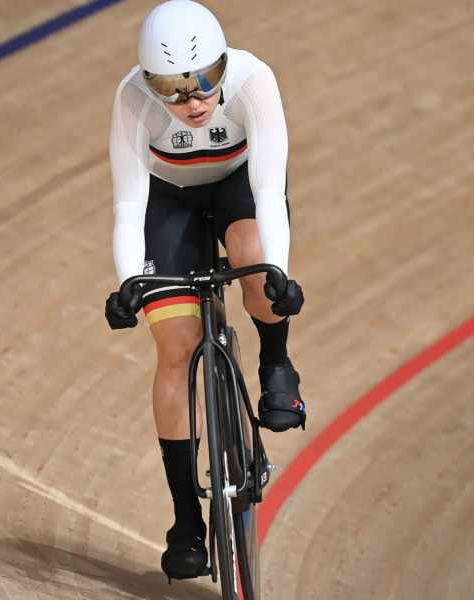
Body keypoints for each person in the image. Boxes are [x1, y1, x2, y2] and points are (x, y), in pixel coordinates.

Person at [103, 0, 305, 581]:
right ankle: (186, 516)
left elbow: (269, 192)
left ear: (223, 66)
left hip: (239, 187)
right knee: (175, 350)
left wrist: (280, 274)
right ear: (149, 83)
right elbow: (127, 202)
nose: (192, 102)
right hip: (170, 201)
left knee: (252, 261)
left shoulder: (253, 80)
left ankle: (276, 366)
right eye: (172, 89)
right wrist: (128, 285)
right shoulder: (132, 100)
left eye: (204, 82)